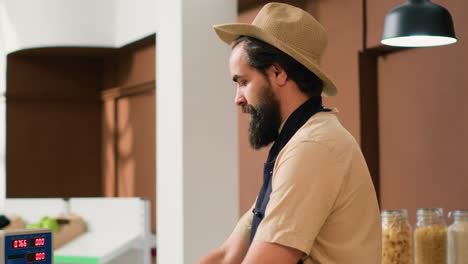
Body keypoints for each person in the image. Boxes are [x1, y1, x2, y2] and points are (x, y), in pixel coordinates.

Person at [199, 2, 381, 264]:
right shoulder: (297, 142)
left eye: (243, 82)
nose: (237, 99)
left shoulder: (313, 146)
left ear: (277, 72)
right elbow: (227, 255)